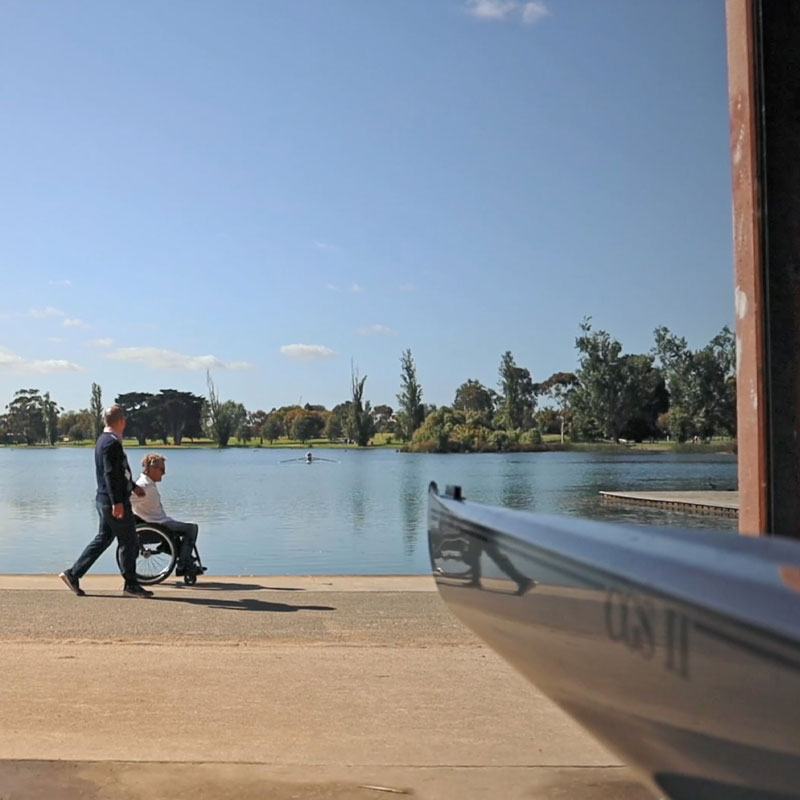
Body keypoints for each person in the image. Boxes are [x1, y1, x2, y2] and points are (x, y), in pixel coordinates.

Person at [59, 405, 153, 598]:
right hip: (113, 500)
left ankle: (73, 574)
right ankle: (131, 585)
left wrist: (133, 486)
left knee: (104, 538)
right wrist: (117, 502)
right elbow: (110, 474)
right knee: (129, 540)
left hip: (103, 499)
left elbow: (118, 472)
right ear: (120, 421)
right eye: (124, 418)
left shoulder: (103, 440)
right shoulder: (111, 443)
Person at [131, 452, 200, 577]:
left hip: (159, 522)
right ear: (152, 468)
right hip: (157, 525)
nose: (164, 473)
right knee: (191, 528)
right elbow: (127, 500)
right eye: (162, 469)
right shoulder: (144, 486)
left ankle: (182, 557)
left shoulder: (147, 484)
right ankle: (183, 564)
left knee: (184, 530)